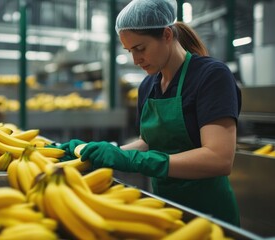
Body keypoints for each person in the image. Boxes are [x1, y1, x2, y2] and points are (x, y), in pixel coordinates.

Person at [57, 0, 241, 226]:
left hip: (210, 214)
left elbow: (219, 158)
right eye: (129, 51)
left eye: (140, 49)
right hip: (164, 208)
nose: (135, 60)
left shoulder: (211, 76)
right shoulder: (148, 86)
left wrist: (137, 161)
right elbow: (148, 141)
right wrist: (106, 153)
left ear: (166, 35)